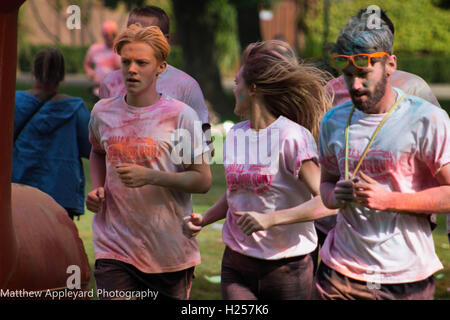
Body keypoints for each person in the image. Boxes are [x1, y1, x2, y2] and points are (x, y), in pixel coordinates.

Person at [184, 40, 336, 300]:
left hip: (287, 266)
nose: (233, 90)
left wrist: (271, 219)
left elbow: (327, 201)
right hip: (237, 262)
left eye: (236, 83)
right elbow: (237, 190)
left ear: (253, 88)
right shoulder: (235, 134)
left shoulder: (292, 137)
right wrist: (205, 218)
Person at [316, 11, 450, 300]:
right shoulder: (332, 121)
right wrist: (333, 195)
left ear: (390, 65)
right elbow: (325, 184)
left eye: (363, 75)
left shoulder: (426, 118)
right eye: (348, 76)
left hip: (405, 275)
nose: (354, 86)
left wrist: (389, 200)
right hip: (340, 273)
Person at [86, 25, 212, 300]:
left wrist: (151, 176)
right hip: (114, 246)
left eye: (141, 62)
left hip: (168, 251)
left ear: (160, 67)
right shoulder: (102, 112)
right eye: (126, 61)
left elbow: (202, 180)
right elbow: (97, 151)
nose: (132, 69)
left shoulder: (181, 117)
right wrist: (98, 188)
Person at [13, 48, 91, 220]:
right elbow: (90, 148)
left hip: (20, 187)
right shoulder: (75, 108)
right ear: (62, 75)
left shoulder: (15, 102)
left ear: (34, 72)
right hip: (60, 193)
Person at [98, 6, 210, 127]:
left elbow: (204, 137)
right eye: (132, 32)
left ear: (165, 40)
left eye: (148, 35)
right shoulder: (110, 84)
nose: (138, 39)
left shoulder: (186, 87)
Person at [83, 20, 121, 98]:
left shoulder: (120, 50)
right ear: (102, 35)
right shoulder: (95, 49)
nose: (110, 38)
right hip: (99, 88)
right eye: (107, 35)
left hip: (117, 90)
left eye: (113, 35)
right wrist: (91, 73)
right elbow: (86, 64)